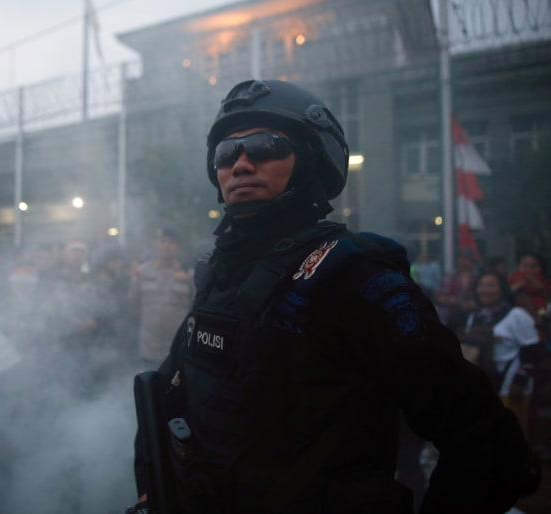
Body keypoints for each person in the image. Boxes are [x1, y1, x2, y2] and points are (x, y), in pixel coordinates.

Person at [128, 79, 540, 514]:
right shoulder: (221, 275)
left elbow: (489, 446)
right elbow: (166, 396)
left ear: (310, 158)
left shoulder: (353, 275)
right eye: (226, 153)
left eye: (265, 146)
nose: (241, 164)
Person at [459, 271, 542, 433]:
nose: (485, 290)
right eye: (481, 285)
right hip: (486, 385)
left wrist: (519, 381)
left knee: (511, 435)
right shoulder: (474, 317)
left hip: (511, 386)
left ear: (502, 289)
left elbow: (533, 352)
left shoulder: (517, 315)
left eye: (491, 285)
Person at [129, 227, 192, 368]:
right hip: (149, 346)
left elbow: (193, 305)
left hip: (177, 346)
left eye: (171, 242)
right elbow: (134, 302)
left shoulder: (188, 274)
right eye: (163, 241)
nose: (167, 246)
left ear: (178, 247)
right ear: (156, 245)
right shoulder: (141, 272)